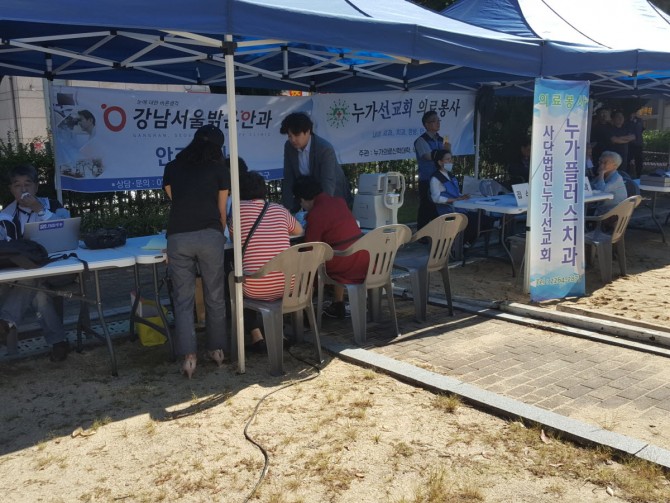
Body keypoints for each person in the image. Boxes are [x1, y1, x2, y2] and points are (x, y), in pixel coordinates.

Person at [163, 124, 230, 378]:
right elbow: (221, 211)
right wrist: (217, 235)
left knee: (183, 299)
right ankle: (217, 350)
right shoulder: (219, 169)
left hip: (178, 237)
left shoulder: (172, 167)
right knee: (215, 295)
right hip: (210, 235)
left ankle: (189, 358)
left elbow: (176, 200)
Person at [0, 164, 70, 361]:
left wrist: (39, 209)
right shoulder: (6, 216)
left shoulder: (53, 205)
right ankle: (58, 342)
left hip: (58, 268)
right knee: (39, 294)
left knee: (32, 281)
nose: (23, 189)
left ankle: (6, 320)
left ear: (36, 187)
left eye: (27, 184)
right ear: (11, 189)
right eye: (17, 185)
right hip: (24, 274)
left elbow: (66, 232)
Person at [229, 171, 303, 353]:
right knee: (271, 273)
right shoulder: (279, 209)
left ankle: (257, 337)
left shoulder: (237, 212)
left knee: (236, 280)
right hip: (289, 285)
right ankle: (280, 334)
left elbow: (233, 237)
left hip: (257, 287)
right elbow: (299, 231)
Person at [292, 175, 368, 319]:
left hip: (343, 264)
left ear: (302, 199)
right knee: (339, 248)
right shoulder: (339, 201)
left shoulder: (316, 213)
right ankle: (338, 303)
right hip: (361, 258)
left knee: (306, 266)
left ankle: (303, 311)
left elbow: (310, 248)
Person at [280, 112, 352, 212]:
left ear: (308, 131)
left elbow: (328, 181)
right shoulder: (289, 147)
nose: (293, 140)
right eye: (289, 136)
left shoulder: (324, 149)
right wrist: (287, 208)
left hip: (333, 195)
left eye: (296, 135)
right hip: (307, 196)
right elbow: (288, 177)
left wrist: (322, 209)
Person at [428, 149, 481, 246]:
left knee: (484, 219)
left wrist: (462, 196)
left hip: (459, 209)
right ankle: (458, 246)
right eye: (447, 159)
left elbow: (455, 193)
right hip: (448, 211)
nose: (451, 161)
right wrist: (456, 200)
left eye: (451, 159)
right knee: (475, 221)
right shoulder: (435, 178)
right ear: (440, 162)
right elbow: (436, 198)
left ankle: (466, 243)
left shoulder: (450, 175)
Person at [414, 110, 444, 231]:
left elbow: (448, 156)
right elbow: (428, 156)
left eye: (438, 120)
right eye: (434, 121)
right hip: (427, 180)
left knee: (439, 208)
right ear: (426, 124)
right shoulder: (421, 140)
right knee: (426, 208)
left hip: (441, 179)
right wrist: (442, 155)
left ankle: (437, 233)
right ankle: (421, 235)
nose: (438, 123)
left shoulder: (442, 139)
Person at [591, 151, 628, 216]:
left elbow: (601, 190)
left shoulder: (617, 178)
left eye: (605, 163)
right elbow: (590, 187)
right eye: (600, 162)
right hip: (601, 209)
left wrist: (601, 174)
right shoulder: (603, 175)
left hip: (612, 213)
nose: (601, 165)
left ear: (615, 166)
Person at [605, 110, 635, 175]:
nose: (621, 118)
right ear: (613, 119)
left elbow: (632, 137)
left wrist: (619, 138)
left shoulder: (626, 128)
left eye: (622, 116)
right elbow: (614, 140)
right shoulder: (609, 128)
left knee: (623, 174)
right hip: (612, 157)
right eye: (618, 116)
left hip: (624, 156)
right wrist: (625, 139)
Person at [628, 111, 645, 178]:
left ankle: (639, 175)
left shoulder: (640, 120)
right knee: (628, 160)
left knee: (639, 160)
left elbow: (642, 129)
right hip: (630, 144)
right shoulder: (627, 121)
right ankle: (627, 174)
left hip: (638, 144)